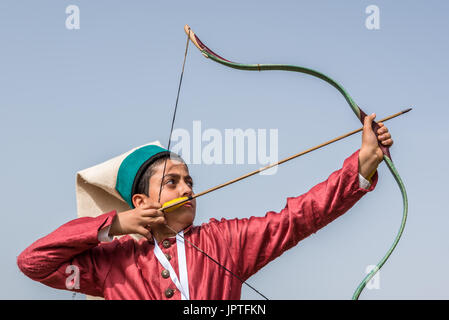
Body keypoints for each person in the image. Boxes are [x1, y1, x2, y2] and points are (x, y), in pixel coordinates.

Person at [17, 114, 393, 300]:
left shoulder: (224, 241)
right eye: (172, 182)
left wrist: (362, 164)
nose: (188, 189)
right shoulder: (110, 263)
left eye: (190, 181)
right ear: (140, 203)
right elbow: (33, 262)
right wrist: (113, 225)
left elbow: (298, 218)